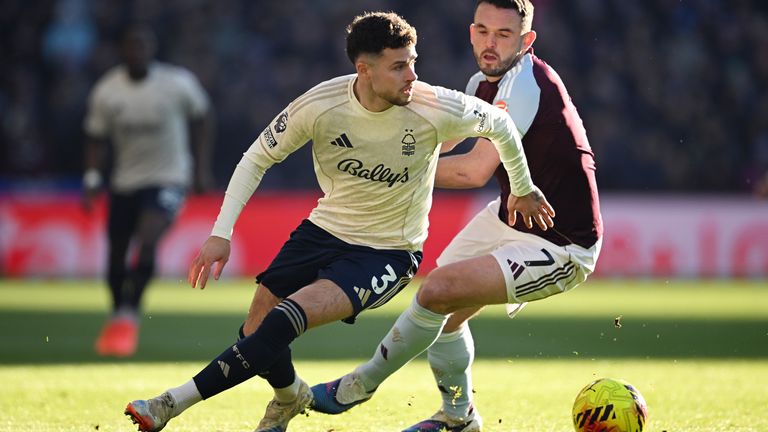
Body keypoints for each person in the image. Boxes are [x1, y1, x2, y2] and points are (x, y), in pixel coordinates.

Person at [123, 11, 553, 432]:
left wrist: (522, 186)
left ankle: (168, 405)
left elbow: (500, 125)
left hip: (388, 250)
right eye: (400, 66)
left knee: (281, 323)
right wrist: (221, 233)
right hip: (323, 230)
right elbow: (258, 156)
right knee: (255, 329)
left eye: (414, 62)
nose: (412, 76)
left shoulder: (432, 106)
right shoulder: (322, 104)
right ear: (364, 70)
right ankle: (291, 398)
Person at [310, 1, 603, 431]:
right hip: (509, 218)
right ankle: (458, 417)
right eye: (483, 31)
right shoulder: (479, 83)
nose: (490, 43)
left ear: (526, 41)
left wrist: (383, 174)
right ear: (471, 32)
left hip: (561, 242)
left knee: (439, 290)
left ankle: (360, 384)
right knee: (440, 310)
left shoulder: (524, 85)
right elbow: (437, 141)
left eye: (503, 35)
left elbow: (473, 170)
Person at [83, 24, 213, 358]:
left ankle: (130, 314)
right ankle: (118, 314)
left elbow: (202, 118)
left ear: (151, 50)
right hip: (125, 181)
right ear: (123, 51)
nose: (137, 53)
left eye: (143, 47)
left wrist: (199, 169)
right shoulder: (108, 91)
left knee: (149, 237)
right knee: (115, 256)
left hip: (170, 177)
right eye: (131, 47)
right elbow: (95, 138)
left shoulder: (175, 84)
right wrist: (92, 178)